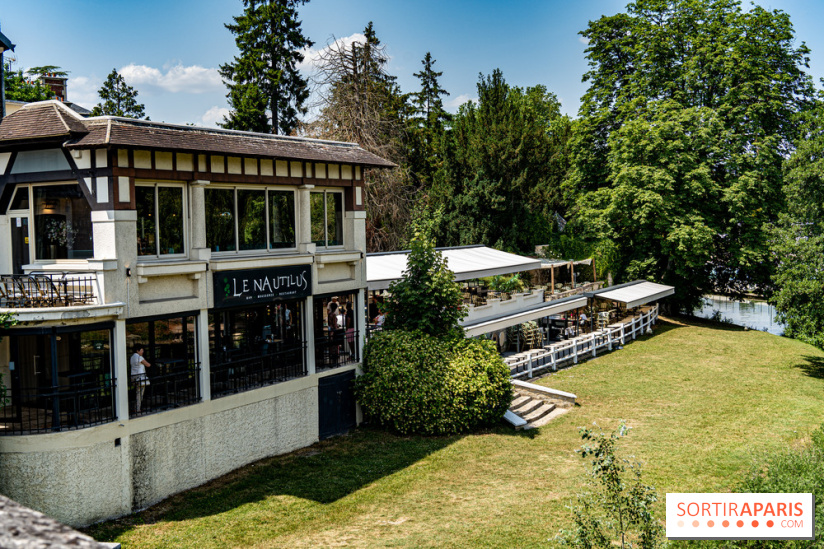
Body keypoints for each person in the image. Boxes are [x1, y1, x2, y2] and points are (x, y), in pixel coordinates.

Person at [130, 345, 151, 413]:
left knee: (137, 392)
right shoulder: (139, 357)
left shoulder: (132, 357)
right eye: (141, 350)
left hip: (133, 376)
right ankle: (137, 408)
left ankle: (135, 407)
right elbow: (147, 364)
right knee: (140, 393)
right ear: (137, 351)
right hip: (140, 376)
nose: (142, 351)